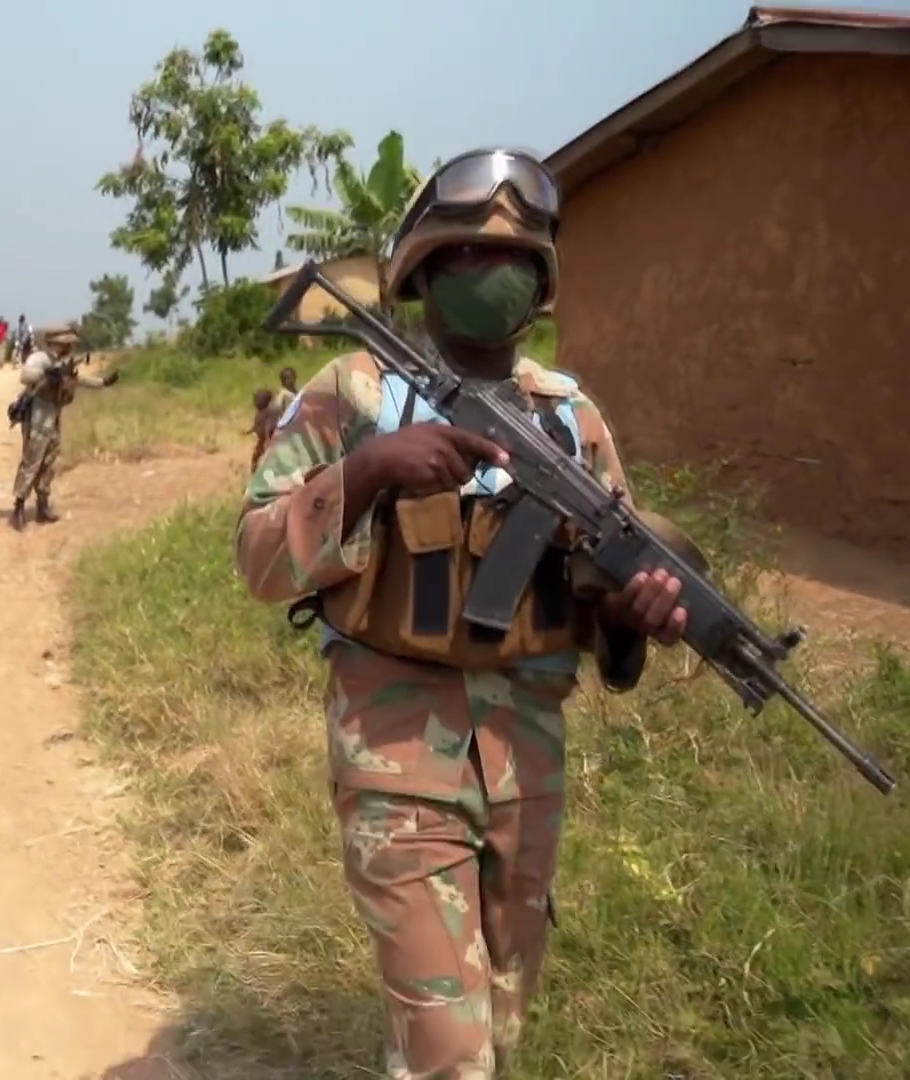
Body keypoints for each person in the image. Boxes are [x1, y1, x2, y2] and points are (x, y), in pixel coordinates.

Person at [233, 147, 690, 1077]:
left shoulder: (570, 418)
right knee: (450, 1052)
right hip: (395, 756)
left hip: (528, 760)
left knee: (500, 1022)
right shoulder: (356, 394)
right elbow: (259, 558)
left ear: (542, 280)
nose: (493, 274)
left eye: (513, 259)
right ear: (426, 269)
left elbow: (610, 588)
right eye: (471, 255)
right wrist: (368, 472)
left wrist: (634, 614)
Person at [8, 323, 118, 529]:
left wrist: (102, 383)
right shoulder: (40, 359)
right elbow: (26, 376)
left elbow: (77, 380)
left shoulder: (62, 362)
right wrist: (46, 375)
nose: (70, 347)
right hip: (38, 415)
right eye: (67, 343)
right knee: (32, 461)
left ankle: (42, 506)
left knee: (48, 463)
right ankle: (19, 508)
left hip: (53, 415)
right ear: (57, 343)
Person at [247, 387, 279, 469]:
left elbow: (268, 426)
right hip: (262, 439)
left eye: (256, 400)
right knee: (257, 454)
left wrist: (268, 438)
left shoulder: (268, 413)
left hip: (267, 439)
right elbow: (257, 424)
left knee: (263, 455)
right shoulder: (260, 412)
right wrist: (250, 430)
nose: (254, 403)